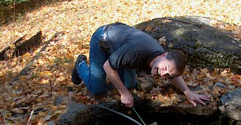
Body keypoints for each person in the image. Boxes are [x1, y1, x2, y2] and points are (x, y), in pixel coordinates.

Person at [72, 22, 209, 108]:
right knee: (97, 89)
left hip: (122, 46)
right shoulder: (136, 52)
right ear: (164, 55)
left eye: (167, 75)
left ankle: (117, 67)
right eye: (165, 69)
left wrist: (188, 92)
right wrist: (123, 93)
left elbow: (173, 73)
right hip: (103, 40)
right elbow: (107, 66)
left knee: (130, 83)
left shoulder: (160, 60)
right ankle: (80, 65)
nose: (162, 74)